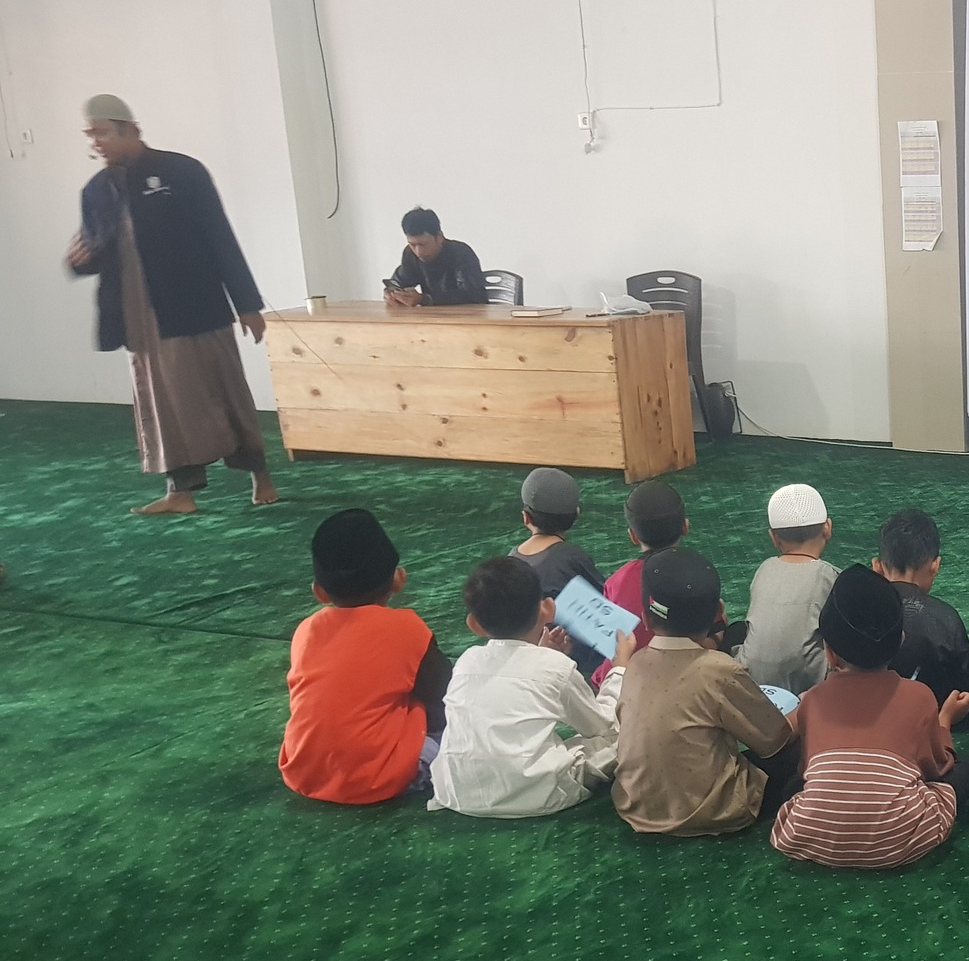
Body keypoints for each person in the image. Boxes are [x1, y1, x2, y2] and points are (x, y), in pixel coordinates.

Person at [67, 94, 277, 516]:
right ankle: (180, 492)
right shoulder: (96, 191)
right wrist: (79, 262)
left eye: (102, 132)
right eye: (90, 136)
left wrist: (247, 303)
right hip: (140, 318)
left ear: (130, 129)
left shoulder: (182, 172)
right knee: (162, 404)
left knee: (224, 389)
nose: (96, 142)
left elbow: (220, 236)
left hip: (196, 306)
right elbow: (96, 250)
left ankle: (259, 475)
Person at [771, 566, 969, 868]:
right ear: (901, 639)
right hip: (901, 840)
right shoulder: (919, 696)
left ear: (829, 653)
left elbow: (806, 771)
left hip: (810, 835)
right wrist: (944, 722)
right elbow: (938, 767)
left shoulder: (813, 700)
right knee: (967, 770)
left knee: (796, 785)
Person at [611, 549, 799, 837]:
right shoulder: (720, 670)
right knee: (797, 749)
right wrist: (805, 711)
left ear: (646, 619)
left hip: (636, 805)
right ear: (717, 613)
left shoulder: (634, 663)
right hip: (712, 811)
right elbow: (774, 740)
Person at [428, 556, 633, 818]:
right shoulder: (554, 667)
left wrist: (545, 656)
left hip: (457, 791)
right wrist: (620, 668)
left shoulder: (467, 660)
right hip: (538, 795)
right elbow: (603, 725)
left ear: (474, 624)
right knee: (617, 737)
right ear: (547, 609)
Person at [278, 509, 451, 805]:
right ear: (398, 579)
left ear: (319, 592)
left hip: (304, 773)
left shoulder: (306, 630)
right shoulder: (407, 627)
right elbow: (445, 694)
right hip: (382, 777)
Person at [873, 508, 969, 718]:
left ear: (877, 567)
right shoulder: (945, 618)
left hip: (871, 707)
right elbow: (967, 684)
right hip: (935, 712)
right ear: (935, 566)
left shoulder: (862, 612)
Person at [735, 484, 838, 695]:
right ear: (827, 528)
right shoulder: (831, 576)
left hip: (751, 679)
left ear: (774, 537)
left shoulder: (764, 569)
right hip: (807, 685)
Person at [512, 467, 606, 683]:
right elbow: (604, 598)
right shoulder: (571, 556)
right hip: (577, 659)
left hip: (526, 657)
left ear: (526, 517)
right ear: (576, 515)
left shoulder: (512, 560)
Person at [595, 481, 688, 681]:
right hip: (685, 674)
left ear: (633, 536)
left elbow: (610, 639)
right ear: (685, 527)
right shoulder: (697, 574)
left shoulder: (616, 581)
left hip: (629, 679)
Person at [383, 207, 488, 307]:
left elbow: (473, 295)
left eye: (423, 244)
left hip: (468, 316)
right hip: (432, 316)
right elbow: (399, 282)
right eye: (412, 244)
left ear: (439, 237)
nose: (418, 252)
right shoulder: (410, 254)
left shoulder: (461, 253)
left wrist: (424, 299)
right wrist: (392, 294)